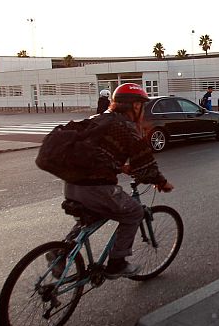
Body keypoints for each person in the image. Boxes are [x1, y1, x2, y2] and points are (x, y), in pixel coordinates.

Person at [59, 83, 173, 278]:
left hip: (71, 185)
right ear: (135, 106)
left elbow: (97, 153)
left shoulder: (98, 119)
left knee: (92, 215)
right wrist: (161, 182)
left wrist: (122, 167)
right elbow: (145, 163)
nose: (142, 111)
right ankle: (117, 263)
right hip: (96, 189)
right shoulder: (126, 128)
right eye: (141, 106)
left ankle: (60, 253)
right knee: (134, 213)